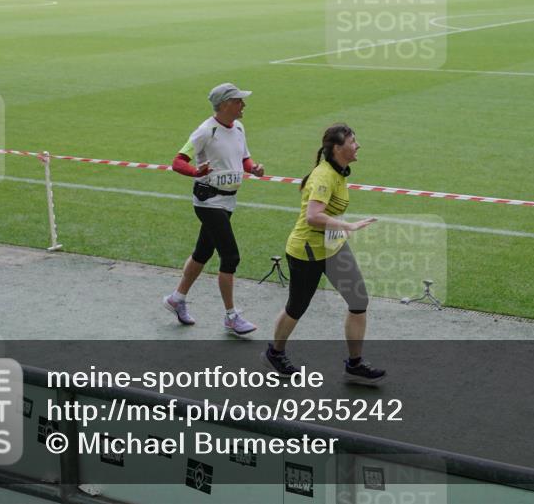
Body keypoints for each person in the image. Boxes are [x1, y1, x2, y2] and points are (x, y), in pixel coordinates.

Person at [261, 123, 386, 385]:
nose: (358, 145)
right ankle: (275, 352)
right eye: (353, 141)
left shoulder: (338, 172)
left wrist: (340, 229)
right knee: (296, 307)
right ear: (338, 148)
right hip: (306, 251)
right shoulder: (324, 177)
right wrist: (347, 226)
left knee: (358, 300)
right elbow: (313, 216)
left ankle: (355, 363)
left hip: (333, 247)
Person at [163, 83, 265, 336]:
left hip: (228, 201)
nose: (244, 104)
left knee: (202, 253)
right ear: (225, 104)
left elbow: (243, 158)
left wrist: (253, 168)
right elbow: (178, 162)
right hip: (208, 202)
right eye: (239, 100)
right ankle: (231, 316)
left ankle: (176, 299)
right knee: (230, 257)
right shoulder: (205, 131)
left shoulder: (239, 128)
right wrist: (196, 172)